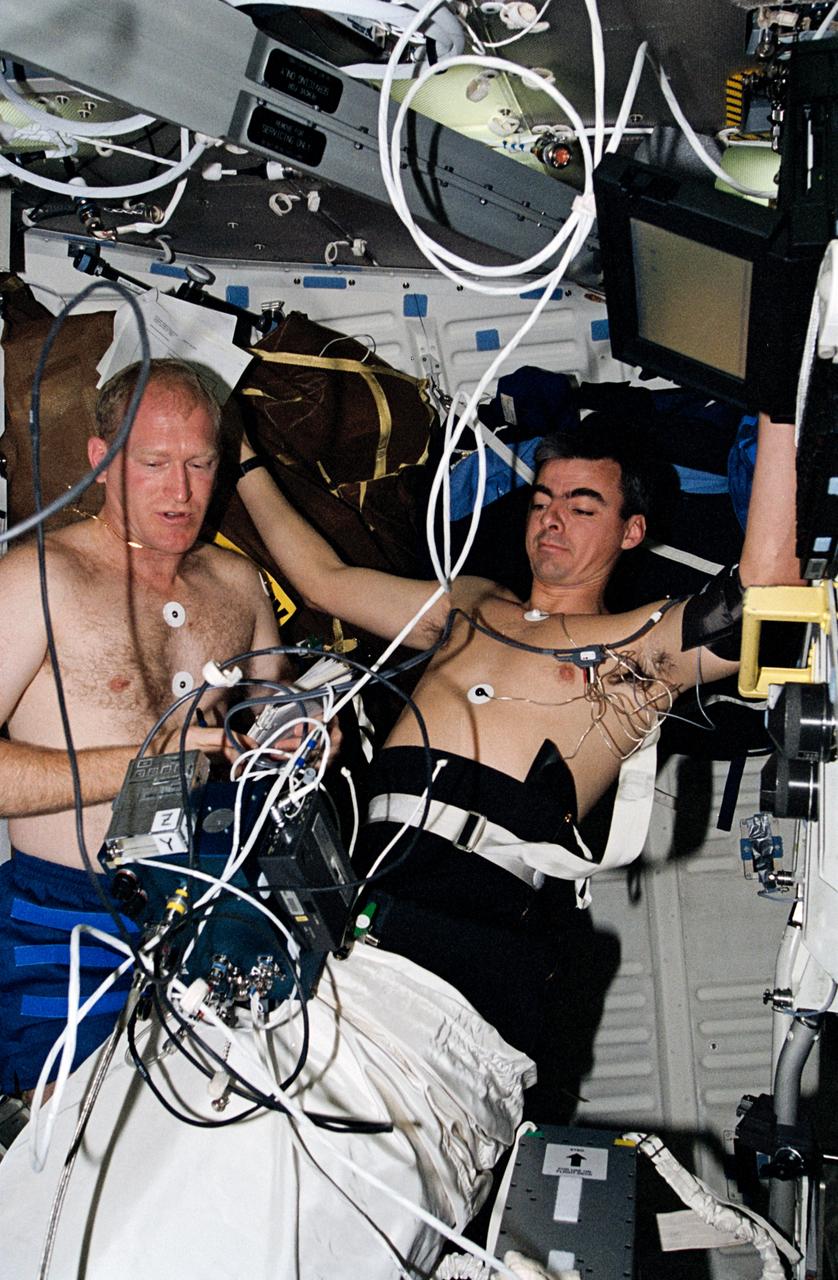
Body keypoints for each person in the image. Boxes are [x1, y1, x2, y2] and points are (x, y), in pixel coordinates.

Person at [236, 409, 801, 1118]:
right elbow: (322, 580)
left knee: (391, 1123)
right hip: (358, 869)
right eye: (541, 501)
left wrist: (778, 411)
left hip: (477, 909)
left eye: (581, 504)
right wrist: (239, 454)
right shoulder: (471, 603)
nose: (551, 519)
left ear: (631, 532)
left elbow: (763, 603)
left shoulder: (628, 653)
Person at [0, 358, 289, 1097]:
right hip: (69, 911)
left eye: (200, 463)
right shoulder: (39, 579)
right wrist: (140, 759)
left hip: (215, 899)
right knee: (77, 1146)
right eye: (155, 463)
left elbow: (269, 722)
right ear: (102, 462)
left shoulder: (237, 585)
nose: (182, 490)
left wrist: (300, 736)